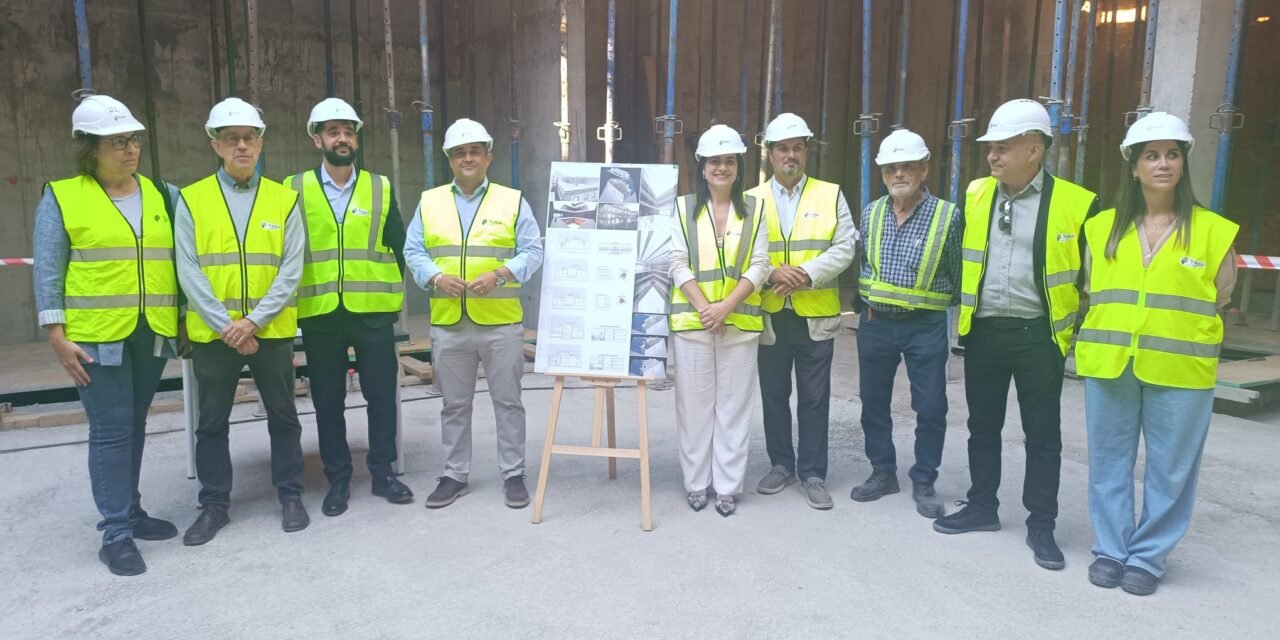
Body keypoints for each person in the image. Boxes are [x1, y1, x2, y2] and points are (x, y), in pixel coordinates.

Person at [933, 99, 1098, 573]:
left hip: (1038, 337)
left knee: (1042, 435)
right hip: (984, 331)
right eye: (991, 148)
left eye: (1003, 148)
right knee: (982, 427)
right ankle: (982, 506)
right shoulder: (977, 193)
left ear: (1034, 149)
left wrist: (1072, 333)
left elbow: (1093, 278)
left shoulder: (1077, 203)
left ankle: (1041, 524)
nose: (992, 156)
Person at [1076, 112, 1238, 596]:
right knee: (1108, 461)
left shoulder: (1212, 232)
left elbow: (1222, 297)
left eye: (1172, 154)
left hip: (1181, 368)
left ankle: (1147, 556)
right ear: (1134, 166)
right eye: (1151, 155)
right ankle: (1111, 548)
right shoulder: (1101, 229)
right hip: (1110, 363)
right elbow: (1091, 290)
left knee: (1171, 468)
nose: (1162, 164)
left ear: (1183, 164)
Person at [33, 95, 182, 576]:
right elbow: (49, 269)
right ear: (89, 147)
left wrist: (181, 318)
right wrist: (55, 335)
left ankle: (131, 511)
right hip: (95, 338)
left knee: (134, 424)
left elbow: (182, 264)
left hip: (151, 331)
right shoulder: (63, 196)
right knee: (112, 431)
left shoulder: (163, 194)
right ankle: (116, 532)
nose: (130, 149)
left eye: (134, 139)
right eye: (117, 141)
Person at [176, 98, 309, 545]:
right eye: (231, 139)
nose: (241, 146)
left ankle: (291, 494)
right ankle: (214, 505)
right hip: (216, 336)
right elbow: (188, 269)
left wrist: (251, 322)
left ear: (261, 142)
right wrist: (226, 326)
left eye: (249, 138)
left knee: (284, 416)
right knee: (211, 422)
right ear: (215, 145)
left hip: (268, 332)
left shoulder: (284, 198)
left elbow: (292, 269)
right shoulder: (191, 200)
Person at [404, 118, 544, 509]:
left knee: (508, 401)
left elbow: (534, 250)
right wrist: (434, 278)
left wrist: (500, 274)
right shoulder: (430, 201)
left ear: (488, 157)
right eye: (460, 152)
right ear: (450, 159)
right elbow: (413, 251)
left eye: (475, 151)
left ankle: (513, 473)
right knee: (454, 403)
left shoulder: (512, 200)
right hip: (450, 322)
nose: (468, 158)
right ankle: (454, 474)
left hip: (500, 322)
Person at [284, 98, 412, 517]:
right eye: (334, 131)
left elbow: (399, 243)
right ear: (316, 138)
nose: (342, 138)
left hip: (372, 310)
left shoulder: (380, 186)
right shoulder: (292, 188)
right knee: (327, 399)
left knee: (380, 396)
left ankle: (383, 474)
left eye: (349, 131)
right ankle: (337, 479)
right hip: (320, 312)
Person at [745, 113, 855, 510]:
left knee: (814, 398)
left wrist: (805, 274)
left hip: (815, 314)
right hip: (771, 313)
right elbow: (742, 252)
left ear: (805, 151)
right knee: (773, 395)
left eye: (797, 147)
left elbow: (845, 247)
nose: (790, 155)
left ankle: (812, 472)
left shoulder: (830, 194)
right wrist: (773, 272)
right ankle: (780, 464)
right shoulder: (752, 199)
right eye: (782, 149)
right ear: (770, 154)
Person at [850, 129, 962, 519]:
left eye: (908, 166)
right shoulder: (871, 212)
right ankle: (883, 472)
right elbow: (864, 267)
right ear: (882, 173)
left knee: (930, 405)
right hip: (876, 323)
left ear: (924, 169)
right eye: (891, 168)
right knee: (873, 403)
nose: (899, 173)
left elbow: (956, 274)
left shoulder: (948, 216)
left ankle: (924, 478)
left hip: (926, 325)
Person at [670, 124, 771, 517]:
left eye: (729, 160)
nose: (722, 167)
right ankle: (696, 483)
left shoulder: (757, 210)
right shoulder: (682, 208)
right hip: (694, 325)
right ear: (702, 165)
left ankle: (727, 487)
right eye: (715, 160)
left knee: (733, 408)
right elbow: (675, 262)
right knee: (693, 409)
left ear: (738, 166)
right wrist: (705, 309)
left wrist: (726, 306)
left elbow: (761, 264)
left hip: (739, 324)